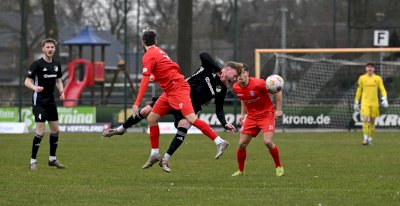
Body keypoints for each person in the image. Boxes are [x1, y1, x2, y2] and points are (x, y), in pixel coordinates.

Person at [103, 52, 242, 172]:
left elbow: (219, 109)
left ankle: (165, 159)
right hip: (176, 93)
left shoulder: (222, 89)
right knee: (146, 112)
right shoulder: (209, 67)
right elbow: (203, 54)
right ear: (227, 69)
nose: (234, 79)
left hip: (190, 106)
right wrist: (218, 69)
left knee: (184, 126)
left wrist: (224, 124)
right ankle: (120, 129)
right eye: (235, 75)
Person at [132, 28, 231, 170]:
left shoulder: (148, 55)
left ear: (142, 42)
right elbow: (173, 68)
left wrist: (137, 103)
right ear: (156, 41)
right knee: (152, 118)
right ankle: (155, 154)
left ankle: (219, 141)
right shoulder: (160, 52)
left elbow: (145, 80)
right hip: (170, 91)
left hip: (178, 89)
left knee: (190, 118)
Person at [231, 65, 284, 177]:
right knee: (241, 144)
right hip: (251, 117)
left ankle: (279, 167)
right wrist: (242, 115)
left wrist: (278, 109)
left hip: (266, 115)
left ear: (247, 73)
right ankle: (240, 171)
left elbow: (278, 91)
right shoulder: (236, 87)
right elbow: (243, 98)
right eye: (237, 74)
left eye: (242, 73)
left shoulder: (259, 83)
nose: (239, 76)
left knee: (268, 142)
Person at [24, 38, 65, 170]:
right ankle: (33, 161)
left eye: (52, 47)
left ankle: (52, 159)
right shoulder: (36, 64)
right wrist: (34, 88)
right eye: (47, 47)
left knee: (55, 130)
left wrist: (62, 91)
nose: (50, 49)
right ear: (43, 49)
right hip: (39, 101)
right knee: (40, 131)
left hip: (51, 101)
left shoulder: (57, 64)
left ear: (54, 49)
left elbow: (58, 81)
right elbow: (27, 81)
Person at [354, 63, 388, 145]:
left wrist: (384, 98)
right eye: (368, 67)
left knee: (372, 122)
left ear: (374, 69)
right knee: (365, 119)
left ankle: (370, 138)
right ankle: (365, 138)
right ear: (366, 69)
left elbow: (382, 89)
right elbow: (359, 90)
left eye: (371, 67)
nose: (370, 69)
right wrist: (356, 101)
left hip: (374, 103)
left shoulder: (378, 78)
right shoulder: (361, 78)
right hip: (365, 102)